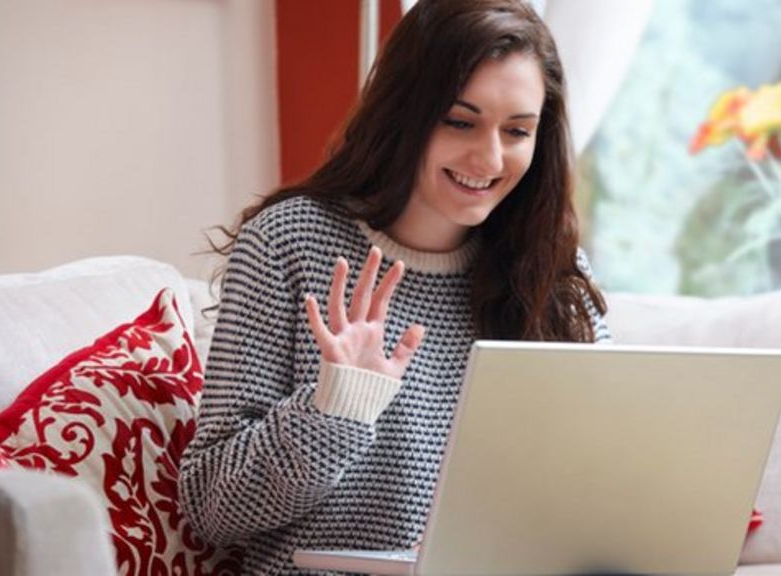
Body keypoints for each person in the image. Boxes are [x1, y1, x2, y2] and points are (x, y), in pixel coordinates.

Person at [178, 0, 610, 573]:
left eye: (517, 131)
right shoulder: (290, 242)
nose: (489, 157)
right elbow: (212, 509)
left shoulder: (551, 272)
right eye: (460, 121)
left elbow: (595, 481)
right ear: (405, 111)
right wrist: (335, 409)